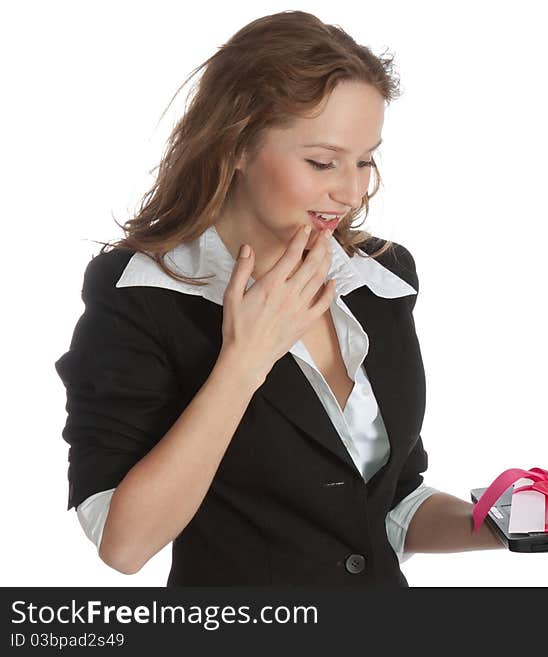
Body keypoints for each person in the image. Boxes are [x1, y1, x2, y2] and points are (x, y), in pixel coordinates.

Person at [54, 10, 503, 587]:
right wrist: (244, 361)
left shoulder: (381, 277)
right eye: (322, 161)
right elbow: (125, 543)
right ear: (236, 144)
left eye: (365, 159)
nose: (350, 190)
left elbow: (388, 504)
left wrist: (506, 524)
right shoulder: (143, 294)